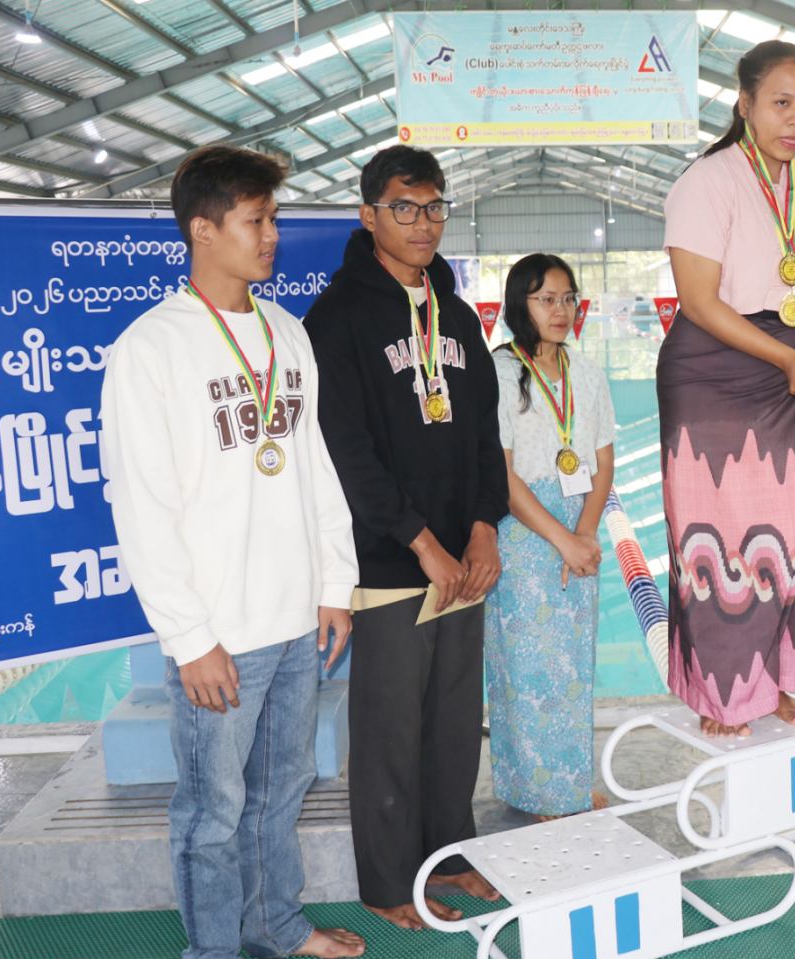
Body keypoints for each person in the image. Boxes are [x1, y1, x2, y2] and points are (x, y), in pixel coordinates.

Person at [100, 145, 366, 959]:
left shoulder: (286, 333)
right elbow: (142, 504)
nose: (272, 234)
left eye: (273, 218)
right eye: (256, 220)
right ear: (203, 230)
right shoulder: (151, 348)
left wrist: (335, 582)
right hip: (219, 629)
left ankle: (277, 925)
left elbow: (314, 466)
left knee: (280, 790)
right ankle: (214, 949)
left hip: (296, 620)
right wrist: (189, 637)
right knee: (212, 812)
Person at [304, 145, 508, 930]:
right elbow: (346, 449)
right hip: (392, 559)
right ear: (368, 215)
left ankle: (449, 856)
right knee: (391, 728)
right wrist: (420, 541)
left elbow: (484, 431)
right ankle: (387, 881)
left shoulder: (454, 314)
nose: (422, 223)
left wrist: (483, 527)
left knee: (453, 722)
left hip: (464, 557)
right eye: (403, 208)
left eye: (432, 207)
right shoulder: (337, 318)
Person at [660, 39, 795, 737]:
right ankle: (721, 688)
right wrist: (784, 358)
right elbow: (698, 300)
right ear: (745, 103)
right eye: (781, 103)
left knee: (791, 535)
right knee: (718, 539)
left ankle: (774, 678)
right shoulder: (707, 181)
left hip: (790, 361)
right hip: (712, 369)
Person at [486, 253, 616, 820]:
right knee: (526, 668)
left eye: (567, 298)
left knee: (572, 666)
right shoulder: (498, 372)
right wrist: (562, 540)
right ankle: (535, 789)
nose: (560, 310)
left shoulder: (586, 373)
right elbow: (502, 475)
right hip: (525, 530)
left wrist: (584, 533)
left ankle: (568, 781)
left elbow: (603, 461)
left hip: (577, 525)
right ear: (521, 304)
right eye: (545, 299)